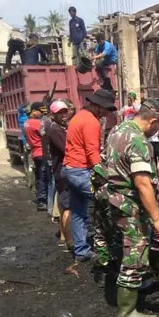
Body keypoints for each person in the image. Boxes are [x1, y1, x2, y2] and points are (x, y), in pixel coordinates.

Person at [94, 101, 159, 317]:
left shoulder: (119, 128)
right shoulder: (138, 142)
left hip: (117, 197)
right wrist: (158, 218)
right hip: (129, 203)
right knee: (135, 252)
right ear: (153, 121)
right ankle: (126, 313)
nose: (158, 132)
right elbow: (143, 184)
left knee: (155, 234)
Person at [63, 89, 117, 262]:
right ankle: (112, 249)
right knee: (110, 203)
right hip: (80, 170)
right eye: (106, 109)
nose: (107, 113)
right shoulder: (91, 122)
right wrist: (106, 176)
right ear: (97, 106)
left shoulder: (78, 117)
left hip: (70, 169)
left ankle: (81, 251)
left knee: (79, 212)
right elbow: (92, 154)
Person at [48, 100, 72, 250]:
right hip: (62, 172)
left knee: (64, 205)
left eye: (65, 112)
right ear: (53, 115)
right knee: (67, 206)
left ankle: (64, 237)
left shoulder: (62, 128)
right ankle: (69, 241)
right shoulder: (55, 130)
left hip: (62, 171)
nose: (63, 115)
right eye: (59, 113)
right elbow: (66, 148)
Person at [24, 102, 48, 211]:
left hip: (35, 153)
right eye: (41, 111)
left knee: (39, 177)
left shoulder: (27, 122)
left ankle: (40, 198)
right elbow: (46, 133)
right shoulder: (36, 123)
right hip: (41, 152)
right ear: (33, 111)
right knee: (43, 177)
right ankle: (42, 200)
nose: (42, 114)